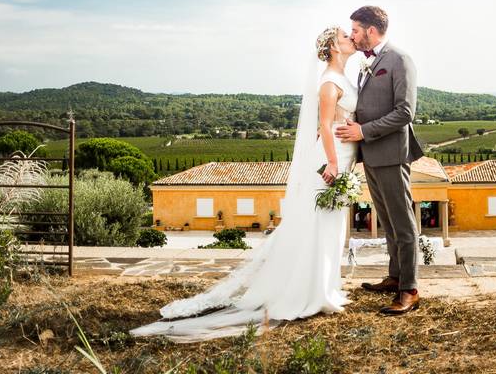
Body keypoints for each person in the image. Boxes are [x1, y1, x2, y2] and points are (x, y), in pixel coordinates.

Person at [131, 26, 358, 342]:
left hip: (344, 151)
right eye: (346, 36)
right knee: (318, 222)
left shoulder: (345, 77)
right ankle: (311, 292)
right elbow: (323, 123)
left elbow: (341, 119)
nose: (352, 38)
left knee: (330, 223)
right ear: (334, 47)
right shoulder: (329, 82)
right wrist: (332, 163)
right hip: (331, 157)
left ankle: (325, 286)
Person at [336, 5, 423, 315]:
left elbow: (405, 113)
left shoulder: (400, 61)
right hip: (370, 155)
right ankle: (395, 276)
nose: (353, 35)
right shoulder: (366, 63)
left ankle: (409, 290)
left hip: (391, 153)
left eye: (356, 30)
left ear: (370, 31)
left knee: (403, 224)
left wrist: (363, 131)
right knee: (387, 222)